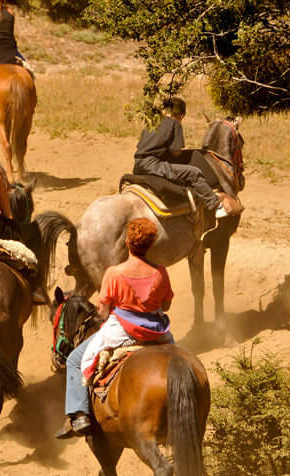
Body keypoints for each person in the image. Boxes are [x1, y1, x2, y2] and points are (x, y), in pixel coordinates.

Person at [55, 218, 175, 439]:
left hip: (122, 330)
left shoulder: (114, 273)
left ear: (127, 242)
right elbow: (166, 305)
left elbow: (103, 312)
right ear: (151, 244)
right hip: (157, 330)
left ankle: (79, 415)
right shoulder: (161, 272)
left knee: (74, 359)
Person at [133, 96, 232, 218]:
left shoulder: (152, 122)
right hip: (154, 166)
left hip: (138, 165)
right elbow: (176, 152)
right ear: (181, 115)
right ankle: (216, 205)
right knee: (193, 173)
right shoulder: (175, 124)